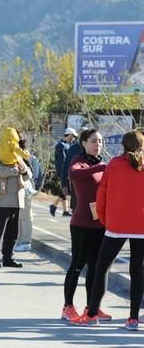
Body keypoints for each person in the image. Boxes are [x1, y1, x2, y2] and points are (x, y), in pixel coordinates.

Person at [71, 130, 144, 331]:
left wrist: (104, 218)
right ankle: (133, 319)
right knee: (137, 271)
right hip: (141, 225)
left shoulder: (114, 164)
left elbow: (103, 193)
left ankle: (92, 314)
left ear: (123, 145)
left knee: (102, 268)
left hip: (117, 224)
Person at [61, 129, 112, 322]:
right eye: (93, 141)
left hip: (100, 223)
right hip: (81, 222)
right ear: (83, 142)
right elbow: (74, 174)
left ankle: (93, 307)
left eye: (100, 141)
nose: (97, 144)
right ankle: (68, 306)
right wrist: (100, 168)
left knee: (95, 267)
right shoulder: (78, 161)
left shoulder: (102, 163)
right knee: (77, 264)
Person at [0, 128, 32, 268]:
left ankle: (8, 257)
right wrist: (16, 170)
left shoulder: (16, 155)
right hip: (1, 199)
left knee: (13, 231)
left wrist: (23, 170)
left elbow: (28, 174)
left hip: (17, 199)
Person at [14, 132, 44, 252]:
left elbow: (34, 174)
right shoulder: (15, 154)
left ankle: (25, 242)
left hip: (25, 191)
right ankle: (19, 241)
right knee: (19, 218)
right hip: (18, 191)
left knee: (25, 218)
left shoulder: (26, 156)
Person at [50, 127, 77, 217]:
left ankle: (65, 211)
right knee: (65, 190)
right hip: (62, 172)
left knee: (64, 191)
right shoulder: (60, 145)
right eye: (72, 136)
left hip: (66, 171)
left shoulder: (67, 145)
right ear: (69, 135)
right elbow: (62, 161)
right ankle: (54, 206)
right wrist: (65, 173)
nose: (73, 138)